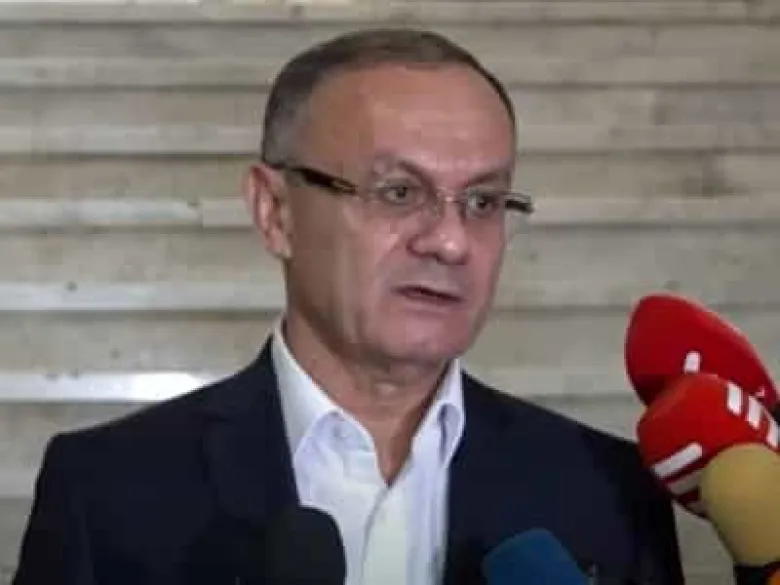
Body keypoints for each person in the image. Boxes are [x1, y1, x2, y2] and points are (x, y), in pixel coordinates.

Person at [13, 28, 686, 585]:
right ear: (275, 211)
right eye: (399, 192)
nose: (451, 241)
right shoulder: (107, 492)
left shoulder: (609, 489)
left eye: (483, 201)